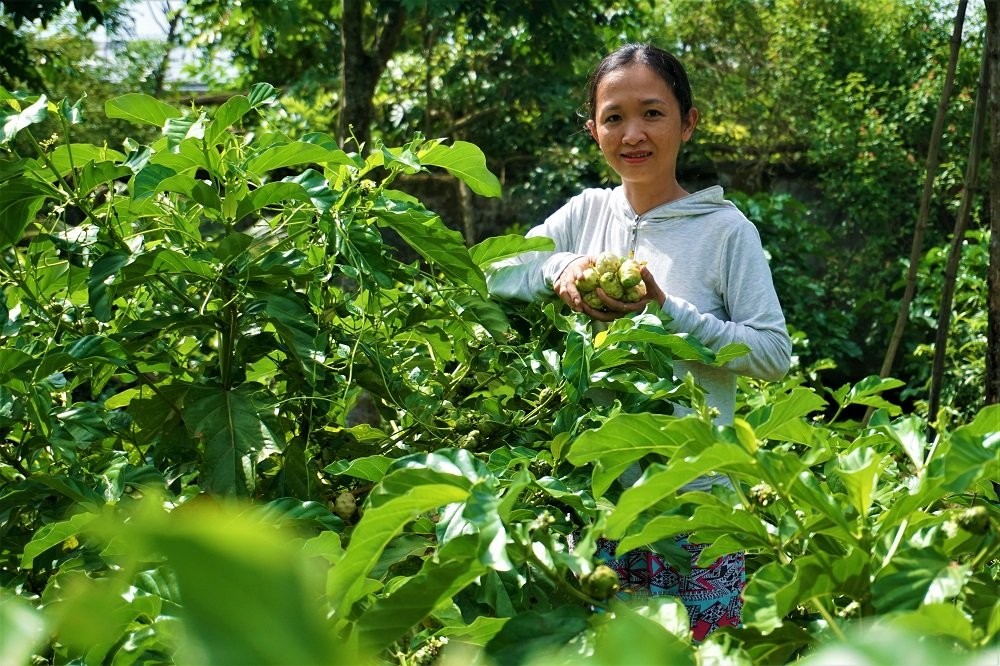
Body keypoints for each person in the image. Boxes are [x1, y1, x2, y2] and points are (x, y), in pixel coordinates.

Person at [486, 43, 792, 640]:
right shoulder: (585, 213)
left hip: (695, 505)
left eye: (652, 113)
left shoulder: (727, 231)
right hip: (593, 498)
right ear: (593, 129)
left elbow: (772, 354)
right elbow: (497, 273)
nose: (633, 134)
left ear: (688, 121)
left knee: (703, 653)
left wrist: (666, 314)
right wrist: (561, 269)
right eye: (614, 117)